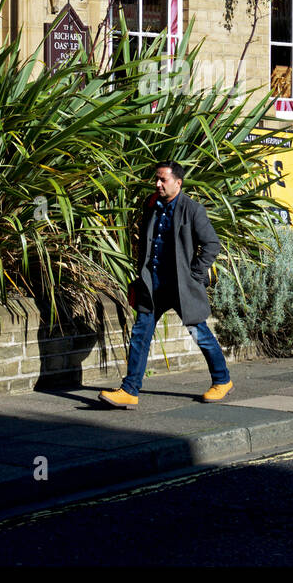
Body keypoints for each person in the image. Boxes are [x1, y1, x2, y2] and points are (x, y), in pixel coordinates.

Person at [99, 160, 232, 407]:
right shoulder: (152, 206)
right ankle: (130, 389)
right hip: (153, 285)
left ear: (178, 183)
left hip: (182, 288)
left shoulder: (192, 210)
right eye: (156, 179)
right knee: (140, 334)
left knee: (199, 333)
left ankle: (222, 380)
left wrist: (195, 273)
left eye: (163, 180)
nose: (158, 184)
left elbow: (212, 244)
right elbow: (146, 246)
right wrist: (140, 278)